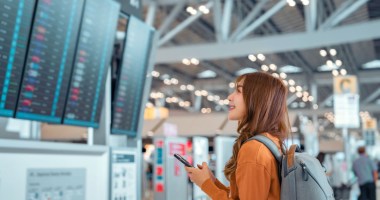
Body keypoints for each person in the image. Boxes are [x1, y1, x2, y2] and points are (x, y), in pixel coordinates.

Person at [185, 72, 290, 199]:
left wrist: (205, 184)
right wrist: (212, 182)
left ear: (257, 99)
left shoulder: (254, 149)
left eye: (239, 91)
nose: (230, 97)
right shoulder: (271, 142)